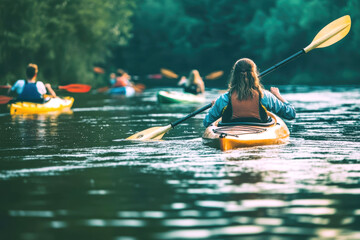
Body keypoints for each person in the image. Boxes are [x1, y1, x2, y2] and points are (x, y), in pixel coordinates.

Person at [203, 58, 296, 127]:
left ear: (234, 75)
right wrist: (278, 96)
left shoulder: (224, 99)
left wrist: (213, 108)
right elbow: (291, 114)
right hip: (260, 131)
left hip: (229, 134)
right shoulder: (265, 96)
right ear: (254, 75)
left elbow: (207, 122)